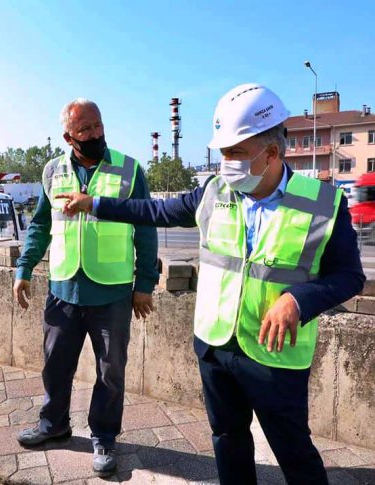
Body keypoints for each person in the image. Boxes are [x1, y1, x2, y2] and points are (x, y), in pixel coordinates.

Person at [56, 84, 365, 485]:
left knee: (293, 449)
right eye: (222, 153)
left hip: (275, 355)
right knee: (227, 440)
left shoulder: (324, 203)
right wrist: (93, 204)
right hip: (215, 346)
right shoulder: (215, 192)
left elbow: (349, 276)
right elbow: (153, 210)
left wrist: (299, 299)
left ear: (271, 153)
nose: (225, 163)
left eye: (235, 153)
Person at [13, 98, 159, 477]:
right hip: (63, 289)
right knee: (55, 364)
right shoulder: (52, 171)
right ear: (69, 136)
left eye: (97, 126)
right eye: (85, 130)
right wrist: (24, 267)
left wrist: (144, 284)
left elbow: (145, 226)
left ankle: (105, 436)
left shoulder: (128, 170)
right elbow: (41, 225)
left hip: (111, 290)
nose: (95, 134)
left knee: (111, 371)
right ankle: (54, 425)